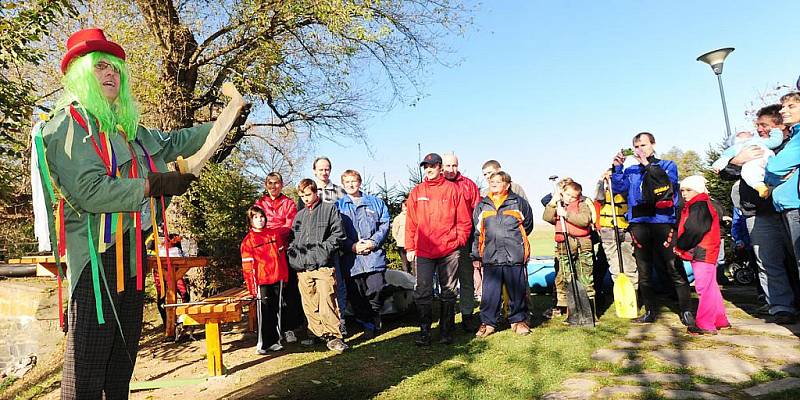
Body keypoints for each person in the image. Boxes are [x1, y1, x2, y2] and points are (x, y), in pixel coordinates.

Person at [33, 29, 227, 398]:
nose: (111, 74)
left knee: (121, 362)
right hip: (96, 256)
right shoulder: (65, 125)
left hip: (134, 252)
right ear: (79, 73)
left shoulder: (129, 129)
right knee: (87, 364)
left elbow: (175, 142)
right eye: (100, 66)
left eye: (116, 68)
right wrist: (152, 185)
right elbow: (90, 191)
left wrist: (225, 121)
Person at [720, 104, 796, 324]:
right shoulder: (752, 147)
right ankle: (781, 306)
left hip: (788, 208)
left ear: (779, 126)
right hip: (758, 213)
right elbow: (725, 171)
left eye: (764, 125)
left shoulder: (791, 144)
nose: (759, 129)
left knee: (794, 257)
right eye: (758, 125)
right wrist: (736, 160)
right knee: (768, 260)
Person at [611, 132, 694, 326]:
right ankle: (650, 311)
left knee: (673, 266)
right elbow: (618, 188)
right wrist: (617, 168)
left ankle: (686, 310)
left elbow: (668, 184)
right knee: (644, 270)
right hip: (640, 223)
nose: (640, 149)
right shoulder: (631, 171)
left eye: (644, 145)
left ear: (653, 145)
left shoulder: (667, 165)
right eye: (636, 146)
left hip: (662, 221)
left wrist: (647, 164)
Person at [406, 153, 471, 346]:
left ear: (440, 167)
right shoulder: (417, 192)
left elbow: (464, 220)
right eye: (426, 166)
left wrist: (459, 241)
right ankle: (425, 332)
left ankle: (446, 331)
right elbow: (411, 222)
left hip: (449, 250)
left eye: (432, 165)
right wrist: (410, 246)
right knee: (423, 292)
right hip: (424, 251)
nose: (429, 169)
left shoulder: (453, 190)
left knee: (448, 291)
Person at [287, 179, 348, 352]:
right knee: (309, 303)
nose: (306, 198)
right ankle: (315, 334)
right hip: (303, 268)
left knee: (328, 300)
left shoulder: (329, 209)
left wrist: (322, 252)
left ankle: (334, 337)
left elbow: (338, 235)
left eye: (308, 194)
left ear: (315, 192)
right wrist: (295, 260)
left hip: (323, 265)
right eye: (302, 195)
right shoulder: (299, 216)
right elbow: (292, 240)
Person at [472, 171, 534, 337]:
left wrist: (514, 242)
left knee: (516, 290)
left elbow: (527, 225)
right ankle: (488, 323)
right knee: (490, 293)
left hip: (514, 254)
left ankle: (518, 321)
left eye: (498, 181)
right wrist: (476, 255)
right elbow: (477, 233)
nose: (494, 184)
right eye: (492, 181)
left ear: (507, 184)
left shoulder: (519, 203)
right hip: (491, 256)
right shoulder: (482, 205)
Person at [336, 170, 391, 339]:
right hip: (352, 259)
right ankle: (366, 323)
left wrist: (373, 242)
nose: (351, 185)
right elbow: (336, 231)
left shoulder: (375, 203)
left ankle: (374, 314)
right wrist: (351, 246)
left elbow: (385, 224)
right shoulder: (338, 206)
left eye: (354, 181)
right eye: (347, 182)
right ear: (343, 186)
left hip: (373, 255)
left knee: (377, 287)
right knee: (356, 293)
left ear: (360, 182)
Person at [673, 176, 730, 335]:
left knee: (703, 288)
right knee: (711, 286)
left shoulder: (699, 205)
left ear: (698, 189)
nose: (684, 194)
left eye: (688, 190)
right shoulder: (702, 204)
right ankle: (720, 319)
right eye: (682, 190)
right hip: (708, 250)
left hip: (702, 251)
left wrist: (680, 246)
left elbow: (694, 230)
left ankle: (705, 324)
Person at [254, 172, 302, 343]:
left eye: (276, 183)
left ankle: (289, 328)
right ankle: (270, 331)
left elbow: (289, 226)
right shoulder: (260, 203)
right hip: (265, 255)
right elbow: (256, 224)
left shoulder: (288, 203)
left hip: (284, 251)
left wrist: (272, 235)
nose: (273, 186)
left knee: (288, 292)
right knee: (269, 294)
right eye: (270, 183)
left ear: (281, 185)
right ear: (266, 185)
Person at [543, 181, 596, 322]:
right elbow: (547, 217)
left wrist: (566, 214)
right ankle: (572, 313)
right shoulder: (558, 205)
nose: (569, 199)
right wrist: (553, 202)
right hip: (564, 247)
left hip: (582, 245)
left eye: (573, 197)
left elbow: (585, 220)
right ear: (562, 193)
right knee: (567, 278)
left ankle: (591, 313)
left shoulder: (582, 204)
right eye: (567, 195)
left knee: (586, 278)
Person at [241, 206, 290, 353]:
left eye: (261, 217)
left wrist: (285, 276)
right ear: (250, 221)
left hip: (277, 278)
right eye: (256, 217)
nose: (260, 220)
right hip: (261, 281)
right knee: (264, 311)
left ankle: (275, 341)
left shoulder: (274, 234)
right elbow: (248, 268)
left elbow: (282, 258)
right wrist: (252, 287)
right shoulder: (247, 242)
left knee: (277, 309)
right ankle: (262, 343)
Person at [442, 153, 481, 332]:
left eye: (454, 166)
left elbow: (477, 212)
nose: (451, 170)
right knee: (446, 280)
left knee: (467, 279)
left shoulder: (468, 185)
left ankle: (467, 315)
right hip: (443, 240)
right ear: (441, 167)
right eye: (447, 166)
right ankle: (447, 318)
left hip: (465, 239)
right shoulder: (437, 185)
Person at [595, 171, 637, 288]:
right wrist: (601, 181)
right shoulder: (603, 193)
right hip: (608, 232)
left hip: (625, 230)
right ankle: (619, 290)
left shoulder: (627, 192)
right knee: (614, 266)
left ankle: (634, 292)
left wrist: (617, 181)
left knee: (629, 264)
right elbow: (599, 197)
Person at [711, 129, 783, 198]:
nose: (759, 129)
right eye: (743, 133)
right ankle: (759, 186)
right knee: (747, 173)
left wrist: (776, 131)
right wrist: (734, 161)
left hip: (768, 161)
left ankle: (775, 183)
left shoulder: (759, 141)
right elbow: (724, 158)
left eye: (764, 125)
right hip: (752, 165)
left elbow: (775, 141)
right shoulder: (736, 147)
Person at [391, 199, 412, 274]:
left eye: (406, 206)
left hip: (413, 245)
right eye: (403, 206)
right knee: (405, 265)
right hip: (402, 245)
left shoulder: (413, 217)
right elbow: (394, 231)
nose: (405, 208)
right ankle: (407, 283)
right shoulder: (398, 218)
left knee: (415, 266)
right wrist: (399, 240)